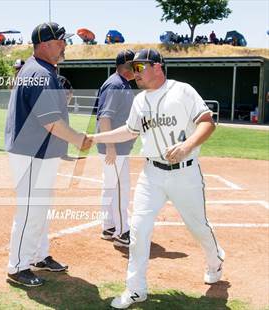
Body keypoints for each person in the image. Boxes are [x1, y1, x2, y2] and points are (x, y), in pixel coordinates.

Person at [91, 48, 225, 309]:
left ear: (157, 67)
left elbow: (207, 122)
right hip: (151, 173)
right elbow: (129, 131)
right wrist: (96, 138)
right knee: (139, 230)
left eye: (140, 67)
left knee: (198, 227)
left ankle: (214, 259)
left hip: (185, 173)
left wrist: (186, 146)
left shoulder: (182, 91)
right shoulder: (139, 101)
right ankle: (136, 289)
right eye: (133, 68)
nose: (134, 73)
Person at [4, 22, 91, 287]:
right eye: (60, 41)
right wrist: (78, 139)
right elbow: (50, 121)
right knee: (31, 211)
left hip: (40, 153)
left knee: (40, 210)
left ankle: (38, 255)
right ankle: (17, 266)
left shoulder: (43, 70)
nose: (64, 45)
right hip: (30, 153)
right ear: (43, 44)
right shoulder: (38, 73)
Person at [95, 49, 136, 248]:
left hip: (116, 146)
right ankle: (122, 232)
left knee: (111, 187)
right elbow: (105, 117)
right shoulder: (115, 84)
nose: (139, 68)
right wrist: (110, 146)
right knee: (121, 188)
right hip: (115, 147)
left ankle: (109, 226)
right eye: (135, 65)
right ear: (125, 65)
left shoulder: (123, 83)